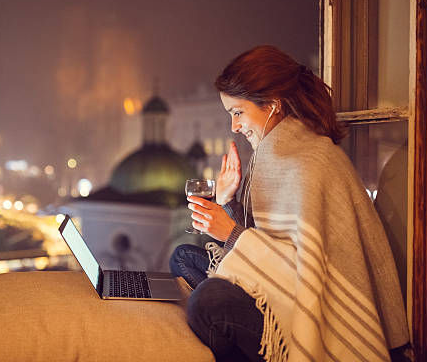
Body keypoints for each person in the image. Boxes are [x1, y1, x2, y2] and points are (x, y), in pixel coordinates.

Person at [169, 45, 409, 362]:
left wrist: (228, 231)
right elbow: (269, 243)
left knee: (208, 302)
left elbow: (305, 271)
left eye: (238, 112)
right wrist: (228, 201)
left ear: (272, 105)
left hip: (318, 308)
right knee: (183, 257)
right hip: (282, 286)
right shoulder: (274, 154)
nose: (234, 127)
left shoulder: (310, 161)